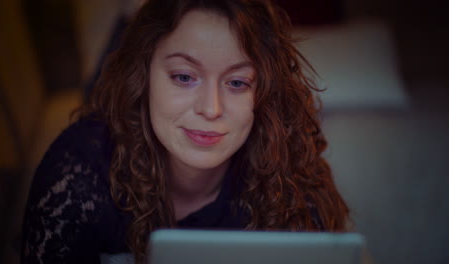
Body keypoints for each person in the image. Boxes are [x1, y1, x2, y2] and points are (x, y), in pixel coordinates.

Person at [20, 0, 350, 263]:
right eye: (183, 76)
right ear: (145, 76)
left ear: (263, 94)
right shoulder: (77, 173)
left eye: (237, 82)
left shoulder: (293, 176)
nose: (211, 108)